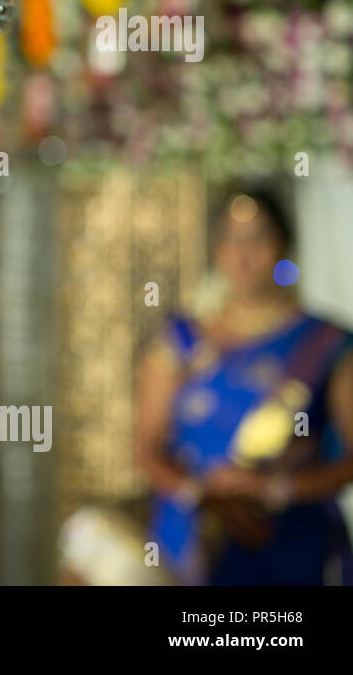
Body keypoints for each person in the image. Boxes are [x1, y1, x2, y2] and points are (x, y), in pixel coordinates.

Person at [135, 188, 353, 585]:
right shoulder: (178, 343)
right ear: (216, 249)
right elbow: (146, 448)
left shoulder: (324, 343)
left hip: (290, 543)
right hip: (194, 540)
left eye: (257, 237)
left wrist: (278, 488)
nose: (243, 253)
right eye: (231, 238)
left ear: (284, 245)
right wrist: (200, 493)